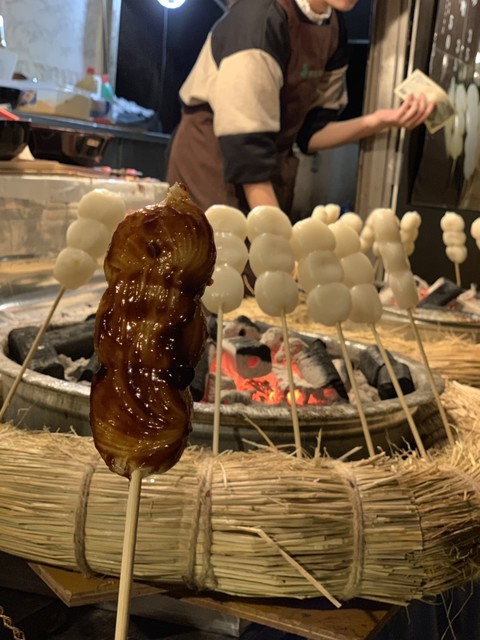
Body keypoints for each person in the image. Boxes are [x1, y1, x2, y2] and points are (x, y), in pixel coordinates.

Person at [166, 0, 435, 217]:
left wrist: (380, 121)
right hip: (211, 161)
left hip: (262, 167)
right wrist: (277, 242)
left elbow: (310, 134)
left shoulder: (333, 29)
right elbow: (247, 147)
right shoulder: (259, 17)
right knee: (220, 271)